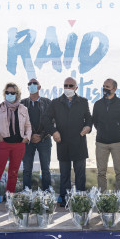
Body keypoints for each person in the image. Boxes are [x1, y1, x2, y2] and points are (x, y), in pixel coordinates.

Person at [43, 77, 92, 206]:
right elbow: (45, 119)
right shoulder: (55, 102)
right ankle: (65, 199)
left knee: (80, 174)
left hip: (79, 142)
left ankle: (80, 200)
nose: (68, 88)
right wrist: (53, 132)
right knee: (64, 174)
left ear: (76, 88)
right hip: (62, 142)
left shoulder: (83, 101)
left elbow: (88, 118)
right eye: (66, 85)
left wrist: (88, 127)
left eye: (71, 86)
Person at [0, 83, 31, 194]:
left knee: (13, 172)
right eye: (7, 92)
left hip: (18, 145)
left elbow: (28, 125)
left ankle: (10, 197)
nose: (10, 95)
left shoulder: (23, 109)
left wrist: (27, 137)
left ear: (17, 94)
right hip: (3, 144)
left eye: (12, 93)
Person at [92, 78, 120, 192]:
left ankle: (119, 196)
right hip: (101, 143)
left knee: (119, 172)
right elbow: (95, 121)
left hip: (117, 143)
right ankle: (102, 196)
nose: (104, 89)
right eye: (104, 86)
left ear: (114, 89)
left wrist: (118, 133)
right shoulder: (98, 104)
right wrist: (102, 131)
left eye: (107, 87)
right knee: (101, 172)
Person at [20, 78, 52, 191]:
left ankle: (47, 194)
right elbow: (19, 123)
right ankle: (26, 193)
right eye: (30, 84)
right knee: (27, 169)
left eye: (35, 83)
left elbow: (52, 121)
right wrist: (29, 136)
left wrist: (41, 136)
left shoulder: (47, 102)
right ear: (27, 87)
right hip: (28, 140)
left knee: (46, 169)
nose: (32, 85)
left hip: (44, 139)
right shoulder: (22, 103)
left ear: (39, 87)